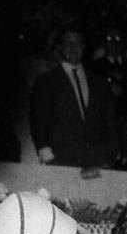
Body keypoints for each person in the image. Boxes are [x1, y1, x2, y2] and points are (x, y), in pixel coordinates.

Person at [29, 24, 120, 169]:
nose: (73, 46)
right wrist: (48, 158)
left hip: (98, 162)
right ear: (59, 46)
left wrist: (110, 158)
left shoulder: (99, 82)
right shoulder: (46, 81)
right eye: (68, 42)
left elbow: (111, 123)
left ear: (84, 46)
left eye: (78, 42)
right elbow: (38, 123)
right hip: (61, 161)